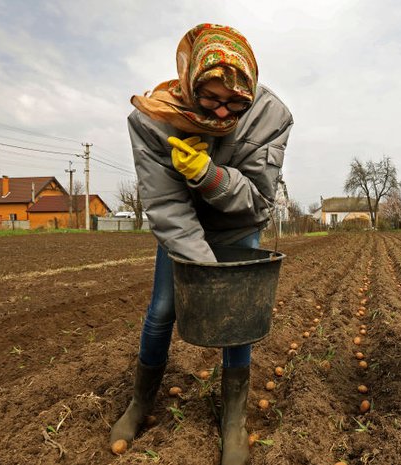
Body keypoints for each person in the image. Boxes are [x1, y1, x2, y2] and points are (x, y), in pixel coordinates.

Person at [111, 24, 293, 465]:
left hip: (238, 223)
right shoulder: (153, 118)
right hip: (182, 226)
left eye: (236, 103)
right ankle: (140, 402)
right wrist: (202, 270)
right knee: (162, 310)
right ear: (192, 82)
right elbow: (164, 204)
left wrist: (209, 175)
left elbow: (257, 201)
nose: (223, 111)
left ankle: (234, 419)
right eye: (210, 99)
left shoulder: (272, 116)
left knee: (240, 315)